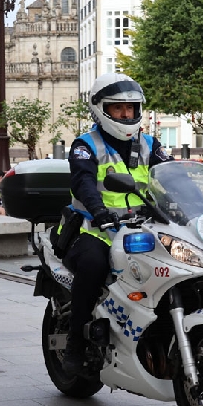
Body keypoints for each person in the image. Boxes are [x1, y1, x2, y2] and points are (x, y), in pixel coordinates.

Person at [60, 73, 173, 374]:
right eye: (118, 108)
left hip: (141, 231)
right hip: (94, 230)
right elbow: (83, 183)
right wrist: (99, 211)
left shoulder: (151, 144)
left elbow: (170, 179)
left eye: (131, 108)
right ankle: (75, 342)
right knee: (93, 266)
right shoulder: (85, 145)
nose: (126, 114)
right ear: (101, 110)